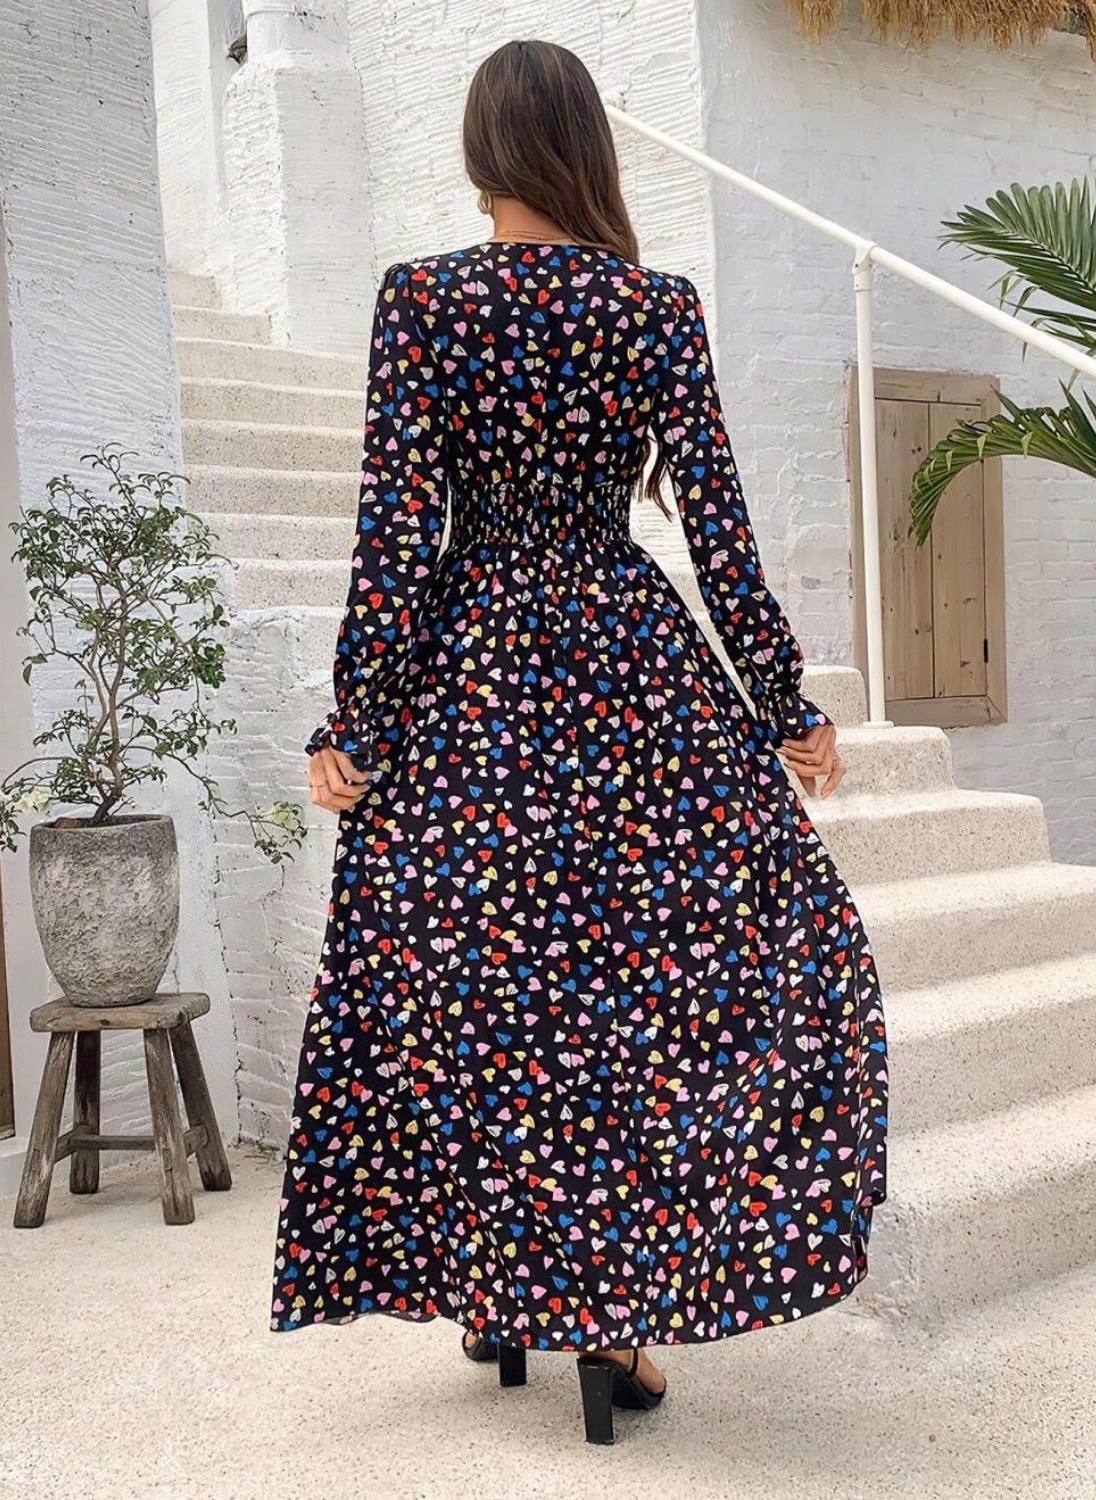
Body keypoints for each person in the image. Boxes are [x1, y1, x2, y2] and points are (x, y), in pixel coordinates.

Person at [269, 37, 888, 1447]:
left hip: (472, 672)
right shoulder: (655, 307)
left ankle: (503, 1290)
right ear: (587, 147)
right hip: (628, 667)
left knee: (479, 987)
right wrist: (782, 703)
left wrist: (358, 717)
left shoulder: (422, 300)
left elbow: (394, 535)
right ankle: (611, 1323)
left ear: (482, 151)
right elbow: (715, 525)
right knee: (642, 994)